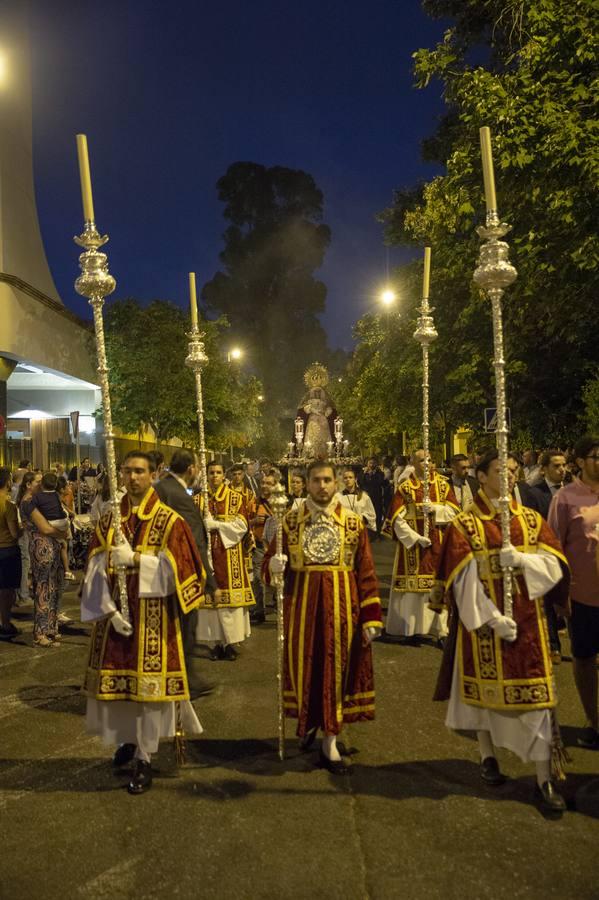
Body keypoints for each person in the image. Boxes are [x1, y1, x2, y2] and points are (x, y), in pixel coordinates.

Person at [431, 450, 570, 813]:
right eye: (499, 470)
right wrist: (491, 619)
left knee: (537, 704)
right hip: (485, 626)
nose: (508, 476)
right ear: (480, 476)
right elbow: (461, 582)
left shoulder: (532, 519)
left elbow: (555, 566)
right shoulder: (465, 525)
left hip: (530, 625)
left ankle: (544, 777)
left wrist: (525, 560)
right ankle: (487, 755)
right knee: (484, 702)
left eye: (513, 470)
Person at [80, 450, 206, 795]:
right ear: (120, 475)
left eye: (139, 471)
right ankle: (127, 741)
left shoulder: (169, 521)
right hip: (116, 621)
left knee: (149, 693)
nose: (132, 477)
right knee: (121, 692)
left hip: (154, 622)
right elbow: (93, 570)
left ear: (153, 474)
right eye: (127, 471)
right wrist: (108, 610)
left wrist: (136, 559)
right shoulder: (109, 521)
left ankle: (146, 756)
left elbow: (183, 572)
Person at [263, 460, 382, 773]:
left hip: (343, 609)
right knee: (308, 670)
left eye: (327, 480)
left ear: (337, 483)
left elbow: (366, 571)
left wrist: (371, 617)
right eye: (316, 480)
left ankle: (330, 739)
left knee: (335, 671)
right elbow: (270, 566)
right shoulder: (289, 522)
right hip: (302, 608)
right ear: (306, 483)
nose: (322, 486)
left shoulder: (354, 524)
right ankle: (311, 720)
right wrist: (274, 568)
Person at [153, 449, 219, 695]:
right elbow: (194, 541)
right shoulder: (178, 494)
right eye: (200, 467)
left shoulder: (163, 487)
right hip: (181, 571)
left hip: (161, 568)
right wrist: (210, 582)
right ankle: (186, 679)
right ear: (191, 468)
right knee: (186, 626)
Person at [549, 435, 599, 750]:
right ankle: (594, 721)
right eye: (595, 456)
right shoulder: (565, 499)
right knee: (584, 658)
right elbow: (553, 549)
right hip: (583, 596)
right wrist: (559, 595)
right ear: (579, 461)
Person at [382, 449, 459, 642]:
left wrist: (436, 509)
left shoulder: (442, 485)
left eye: (429, 460)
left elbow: (455, 513)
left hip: (437, 545)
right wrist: (414, 537)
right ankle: (411, 629)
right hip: (413, 546)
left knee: (437, 587)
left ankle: (440, 631)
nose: (427, 464)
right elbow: (396, 519)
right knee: (412, 591)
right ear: (413, 462)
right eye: (422, 460)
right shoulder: (406, 487)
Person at [194, 461, 255, 659]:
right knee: (211, 606)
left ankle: (230, 643)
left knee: (230, 606)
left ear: (223, 475)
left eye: (218, 472)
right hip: (208, 557)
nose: (214, 476)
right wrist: (203, 527)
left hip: (230, 557)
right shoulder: (197, 501)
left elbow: (242, 525)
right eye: (211, 472)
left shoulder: (237, 499)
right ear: (206, 475)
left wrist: (217, 525)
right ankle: (215, 644)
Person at [28, 472, 75, 581]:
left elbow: (33, 509)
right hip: (63, 521)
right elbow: (60, 506)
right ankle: (67, 570)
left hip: (50, 523)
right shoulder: (55, 495)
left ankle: (64, 570)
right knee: (63, 544)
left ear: (41, 485)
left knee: (57, 541)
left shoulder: (37, 497)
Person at [0, 468, 22, 640]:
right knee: (7, 591)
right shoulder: (8, 505)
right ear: (7, 482)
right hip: (7, 551)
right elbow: (14, 533)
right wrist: (24, 529)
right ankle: (6, 624)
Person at [14, 472, 39, 604]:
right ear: (29, 485)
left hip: (28, 535)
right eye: (37, 482)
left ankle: (24, 592)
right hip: (25, 535)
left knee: (27, 563)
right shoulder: (27, 500)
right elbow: (28, 522)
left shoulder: (29, 498)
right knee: (25, 563)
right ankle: (23, 594)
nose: (39, 484)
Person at [361, 457, 386, 536]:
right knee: (367, 514)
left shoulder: (380, 473)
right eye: (370, 463)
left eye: (373, 463)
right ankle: (368, 532)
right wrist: (365, 474)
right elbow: (361, 483)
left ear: (376, 464)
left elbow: (380, 482)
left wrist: (373, 475)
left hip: (376, 497)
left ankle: (377, 532)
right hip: (367, 497)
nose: (371, 465)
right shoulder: (364, 472)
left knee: (377, 514)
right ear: (367, 464)